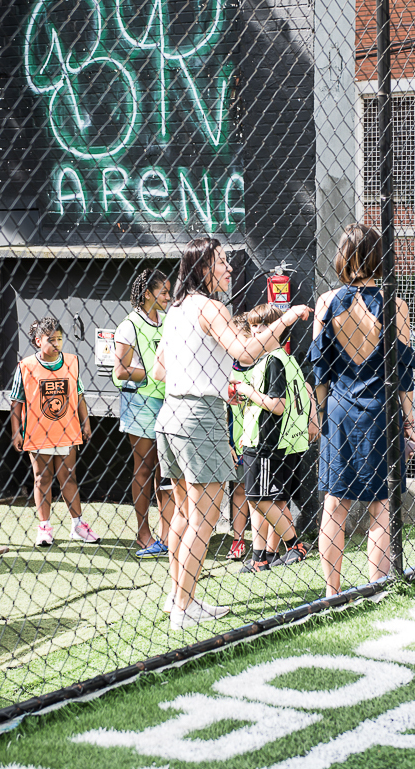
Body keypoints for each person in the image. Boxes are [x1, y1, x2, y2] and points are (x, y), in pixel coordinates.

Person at [153, 238, 312, 629]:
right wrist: (286, 319)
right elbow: (244, 352)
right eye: (222, 262)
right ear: (204, 267)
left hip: (169, 416)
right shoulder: (211, 307)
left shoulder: (175, 310)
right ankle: (184, 608)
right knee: (204, 521)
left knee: (185, 514)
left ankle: (178, 595)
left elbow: (159, 370)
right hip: (198, 417)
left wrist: (200, 371)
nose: (228, 268)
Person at [311, 223, 415, 598]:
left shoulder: (326, 303)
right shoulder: (394, 304)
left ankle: (331, 590)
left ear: (343, 256)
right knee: (381, 504)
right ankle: (377, 584)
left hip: (339, 410)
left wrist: (319, 413)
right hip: (380, 411)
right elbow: (402, 374)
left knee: (335, 504)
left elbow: (319, 370)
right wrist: (409, 422)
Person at [234, 303, 317, 573]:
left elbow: (277, 404)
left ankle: (295, 545)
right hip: (275, 440)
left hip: (268, 441)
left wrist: (247, 392)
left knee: (259, 498)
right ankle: (261, 557)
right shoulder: (279, 359)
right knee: (268, 500)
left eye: (263, 328)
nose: (257, 333)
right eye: (254, 328)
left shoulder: (273, 361)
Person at [10, 317, 97, 546]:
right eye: (51, 339)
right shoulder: (26, 366)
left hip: (67, 430)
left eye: (59, 338)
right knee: (42, 478)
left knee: (69, 476)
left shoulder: (72, 362)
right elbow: (16, 401)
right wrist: (15, 431)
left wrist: (85, 422)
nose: (57, 343)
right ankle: (44, 528)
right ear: (38, 341)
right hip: (38, 433)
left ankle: (78, 525)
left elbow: (79, 397)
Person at [113, 269, 174, 557]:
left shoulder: (167, 321)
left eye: (169, 291)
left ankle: (167, 535)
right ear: (147, 293)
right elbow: (120, 372)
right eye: (163, 292)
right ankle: (142, 534)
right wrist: (156, 375)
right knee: (145, 467)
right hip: (140, 404)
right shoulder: (129, 325)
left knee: (167, 470)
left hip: (169, 402)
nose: (168, 296)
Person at [224, 313, 253, 561]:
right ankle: (238, 539)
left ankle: (270, 543)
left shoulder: (267, 364)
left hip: (261, 440)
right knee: (240, 489)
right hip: (235, 443)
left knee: (265, 493)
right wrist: (227, 441)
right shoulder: (225, 369)